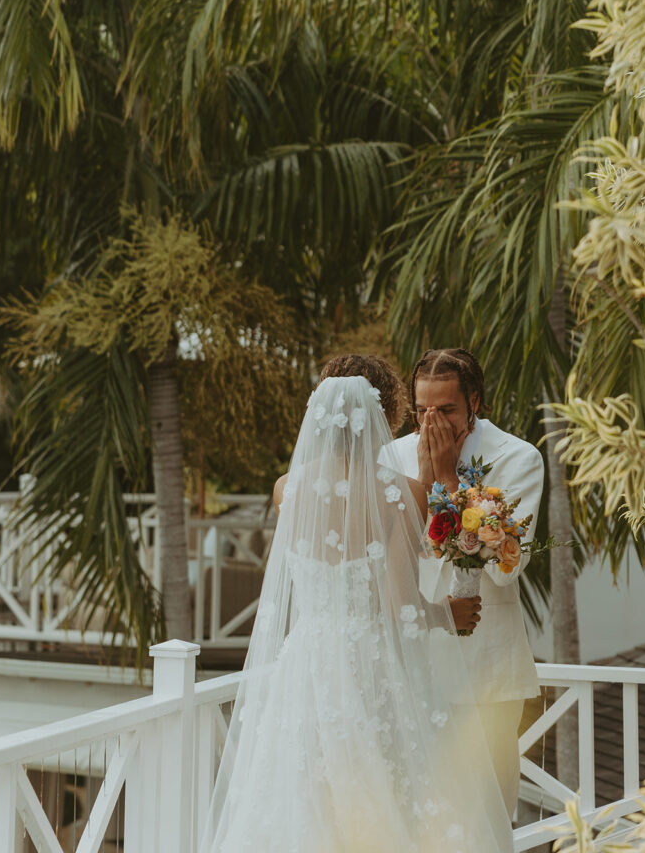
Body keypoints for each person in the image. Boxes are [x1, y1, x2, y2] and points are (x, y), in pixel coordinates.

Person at [198, 355, 513, 853]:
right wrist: (445, 615)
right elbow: (398, 606)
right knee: (383, 791)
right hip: (370, 666)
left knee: (302, 793)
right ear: (386, 415)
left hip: (305, 664)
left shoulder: (287, 490)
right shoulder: (399, 494)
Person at [383, 348, 544, 820]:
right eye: (422, 410)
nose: (431, 421)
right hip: (412, 666)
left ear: (474, 400)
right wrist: (421, 477)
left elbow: (505, 568)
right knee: (416, 816)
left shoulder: (518, 457)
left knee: (487, 811)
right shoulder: (389, 455)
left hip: (486, 667)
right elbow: (386, 555)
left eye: (446, 410)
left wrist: (450, 478)